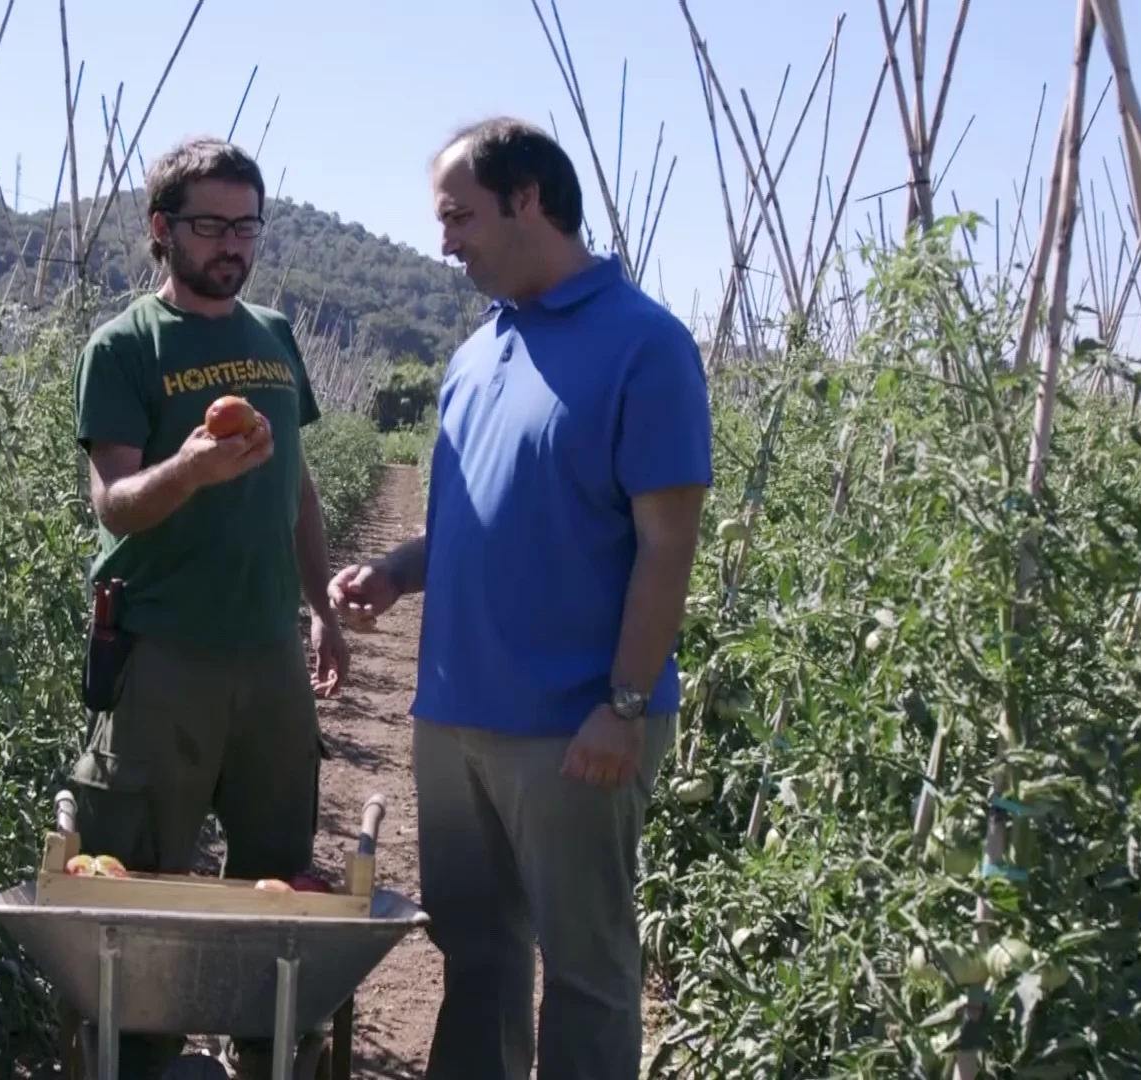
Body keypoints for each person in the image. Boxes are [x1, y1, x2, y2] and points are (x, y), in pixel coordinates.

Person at [328, 117, 713, 1080]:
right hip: (455, 717)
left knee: (584, 969)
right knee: (478, 955)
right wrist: (399, 570)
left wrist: (623, 706)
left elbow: (670, 545)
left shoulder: (645, 346)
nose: (445, 238)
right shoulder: (475, 354)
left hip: (575, 725)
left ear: (529, 200)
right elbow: (474, 519)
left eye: (459, 215)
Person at [67, 135, 350, 1080]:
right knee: (140, 887)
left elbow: (299, 491)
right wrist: (186, 469)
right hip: (164, 658)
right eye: (211, 225)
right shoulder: (124, 347)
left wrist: (322, 606)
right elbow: (113, 503)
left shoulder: (271, 336)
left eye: (247, 225)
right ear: (162, 230)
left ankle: (266, 1054)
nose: (233, 243)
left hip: (268, 652)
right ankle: (140, 1061)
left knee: (280, 880)